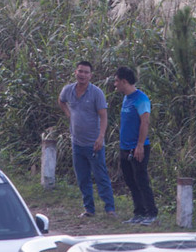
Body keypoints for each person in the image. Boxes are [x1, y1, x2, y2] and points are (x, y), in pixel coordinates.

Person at [58, 60, 116, 217]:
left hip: (94, 144)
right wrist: (68, 113)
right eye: (80, 71)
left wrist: (101, 137)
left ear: (91, 75)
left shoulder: (96, 93)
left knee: (101, 176)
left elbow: (104, 116)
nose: (82, 75)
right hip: (77, 142)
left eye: (86, 72)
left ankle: (110, 209)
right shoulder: (68, 90)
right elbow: (61, 101)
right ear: (75, 72)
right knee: (83, 178)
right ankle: (89, 209)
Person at [114, 66, 156, 225]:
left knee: (141, 180)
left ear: (124, 81)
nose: (115, 84)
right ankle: (139, 212)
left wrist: (139, 145)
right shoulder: (126, 98)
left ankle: (151, 213)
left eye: (117, 81)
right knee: (131, 181)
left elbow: (145, 122)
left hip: (138, 147)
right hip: (125, 147)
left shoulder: (141, 98)